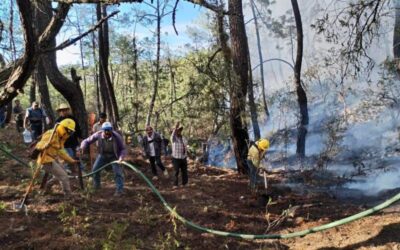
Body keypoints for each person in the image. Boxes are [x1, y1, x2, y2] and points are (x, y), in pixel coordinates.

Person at [35, 118, 79, 199]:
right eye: (68, 131)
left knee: (61, 174)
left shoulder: (60, 138)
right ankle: (68, 196)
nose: (69, 134)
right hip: (45, 160)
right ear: (63, 128)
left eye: (71, 132)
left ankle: (46, 188)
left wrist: (71, 161)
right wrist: (44, 145)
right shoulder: (51, 134)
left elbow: (61, 152)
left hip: (52, 159)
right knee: (64, 176)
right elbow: (38, 145)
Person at [79, 122, 126, 197]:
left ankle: (119, 190)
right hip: (102, 155)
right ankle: (97, 187)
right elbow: (86, 141)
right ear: (102, 130)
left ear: (111, 130)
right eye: (105, 130)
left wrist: (121, 158)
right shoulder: (98, 134)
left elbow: (123, 149)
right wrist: (82, 147)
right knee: (95, 170)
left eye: (108, 130)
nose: (107, 132)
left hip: (114, 156)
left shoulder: (116, 136)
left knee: (117, 172)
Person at [54, 103, 82, 173]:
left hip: (74, 141)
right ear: (60, 112)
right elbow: (55, 132)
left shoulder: (73, 119)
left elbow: (78, 129)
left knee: (77, 154)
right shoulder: (58, 121)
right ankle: (67, 169)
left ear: (68, 110)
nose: (64, 112)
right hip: (64, 142)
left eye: (65, 110)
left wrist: (80, 137)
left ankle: (80, 169)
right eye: (62, 110)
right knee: (68, 155)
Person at [171, 122, 188, 188]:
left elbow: (186, 146)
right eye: (177, 130)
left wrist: (187, 152)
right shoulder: (173, 138)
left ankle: (185, 183)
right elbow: (172, 135)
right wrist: (175, 127)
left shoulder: (183, 138)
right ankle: (175, 184)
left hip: (183, 157)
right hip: (176, 158)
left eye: (180, 130)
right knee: (176, 171)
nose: (179, 131)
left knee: (184, 171)